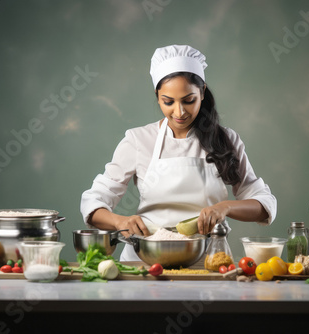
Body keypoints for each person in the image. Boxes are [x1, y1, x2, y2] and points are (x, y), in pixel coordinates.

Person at [81, 45, 277, 261]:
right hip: (145, 263)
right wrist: (119, 222)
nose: (179, 112)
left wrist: (225, 207)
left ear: (202, 92)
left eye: (188, 100)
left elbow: (263, 203)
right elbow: (94, 201)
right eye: (168, 102)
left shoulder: (226, 140)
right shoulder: (138, 140)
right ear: (157, 97)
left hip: (206, 262)